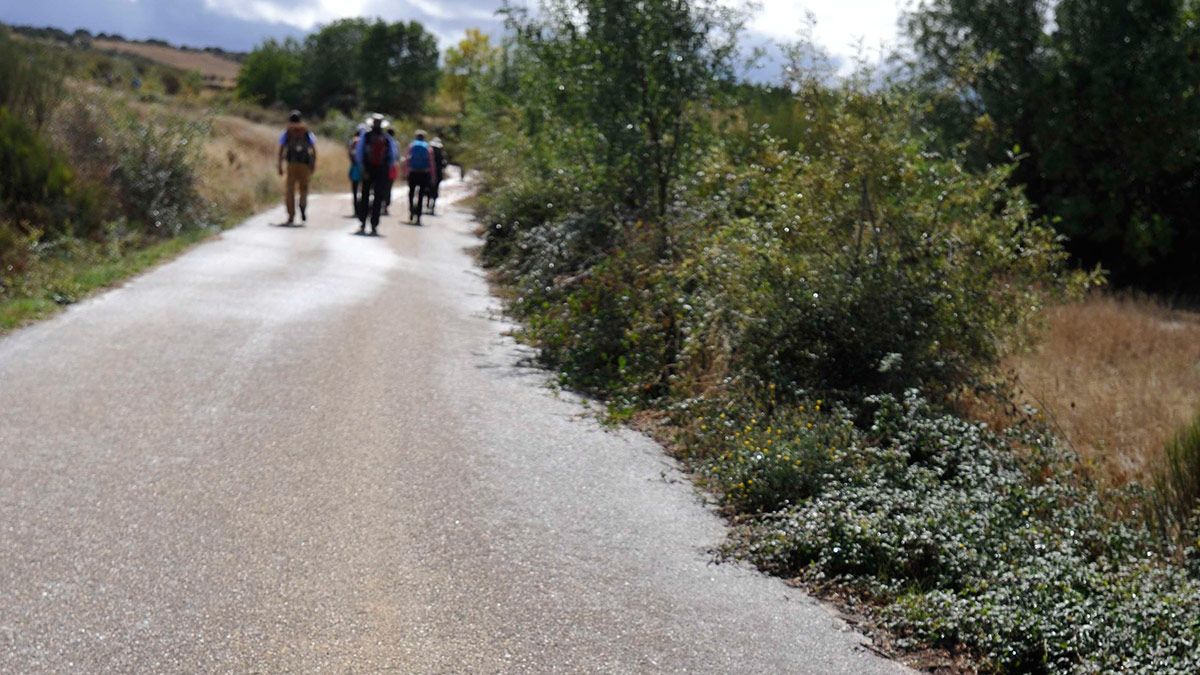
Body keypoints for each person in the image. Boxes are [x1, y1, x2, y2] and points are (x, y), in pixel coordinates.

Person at [354, 114, 395, 235]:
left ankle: (362, 222)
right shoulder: (387, 138)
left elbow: (359, 153)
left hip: (368, 169)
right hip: (381, 171)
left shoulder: (365, 136)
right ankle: (374, 224)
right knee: (378, 197)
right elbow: (392, 157)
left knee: (365, 195)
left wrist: (362, 167)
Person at [278, 110, 317, 225]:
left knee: (290, 190)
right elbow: (313, 149)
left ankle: (291, 215)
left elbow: (281, 149)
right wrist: (313, 163)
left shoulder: (288, 132)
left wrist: (280, 165)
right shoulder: (306, 131)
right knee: (303, 189)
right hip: (304, 164)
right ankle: (302, 206)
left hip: (291, 164)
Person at [404, 129, 435, 225]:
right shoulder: (428, 147)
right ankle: (418, 216)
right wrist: (433, 175)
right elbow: (431, 163)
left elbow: (406, 159)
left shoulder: (412, 145)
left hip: (413, 172)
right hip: (423, 173)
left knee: (411, 193)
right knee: (421, 195)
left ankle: (411, 211)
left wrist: (405, 172)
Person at [428, 137, 449, 215]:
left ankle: (429, 204)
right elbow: (445, 165)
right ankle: (432, 205)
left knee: (429, 188)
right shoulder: (442, 154)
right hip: (438, 174)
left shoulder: (430, 151)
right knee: (435, 189)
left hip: (430, 174)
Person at [384, 125, 400, 216]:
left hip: (381, 168)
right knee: (389, 187)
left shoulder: (383, 140)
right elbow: (397, 157)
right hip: (391, 168)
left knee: (380, 186)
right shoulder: (395, 143)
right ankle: (386, 206)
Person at [348, 125, 366, 205]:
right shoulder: (366, 140)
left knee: (355, 188)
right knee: (365, 188)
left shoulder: (354, 141)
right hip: (365, 168)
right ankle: (363, 206)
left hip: (355, 167)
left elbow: (350, 153)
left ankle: (356, 206)